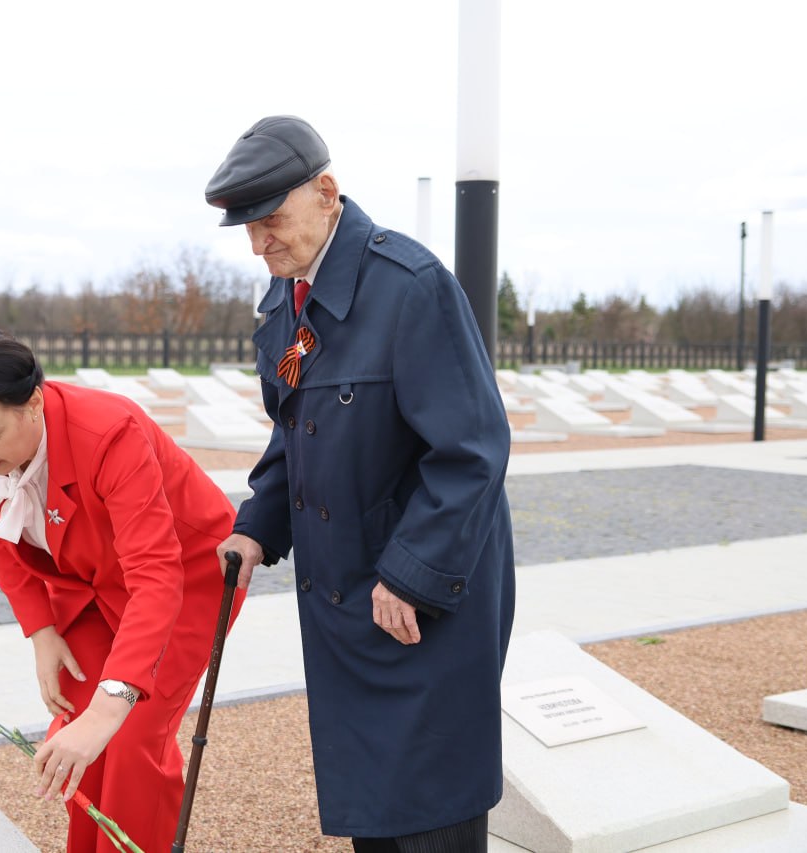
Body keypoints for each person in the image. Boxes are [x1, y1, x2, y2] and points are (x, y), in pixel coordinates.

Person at [206, 115, 515, 852]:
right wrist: (256, 526)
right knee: (374, 812)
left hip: (421, 599)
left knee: (432, 809)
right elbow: (296, 432)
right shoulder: (285, 303)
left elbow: (472, 447)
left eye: (270, 219)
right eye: (246, 228)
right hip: (344, 597)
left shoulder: (410, 287)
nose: (258, 244)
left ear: (327, 192)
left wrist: (409, 575)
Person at [0, 324, 244, 853]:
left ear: (33, 402)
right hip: (93, 581)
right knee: (78, 727)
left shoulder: (109, 432)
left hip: (186, 576)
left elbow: (155, 574)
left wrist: (110, 707)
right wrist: (42, 631)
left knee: (129, 737)